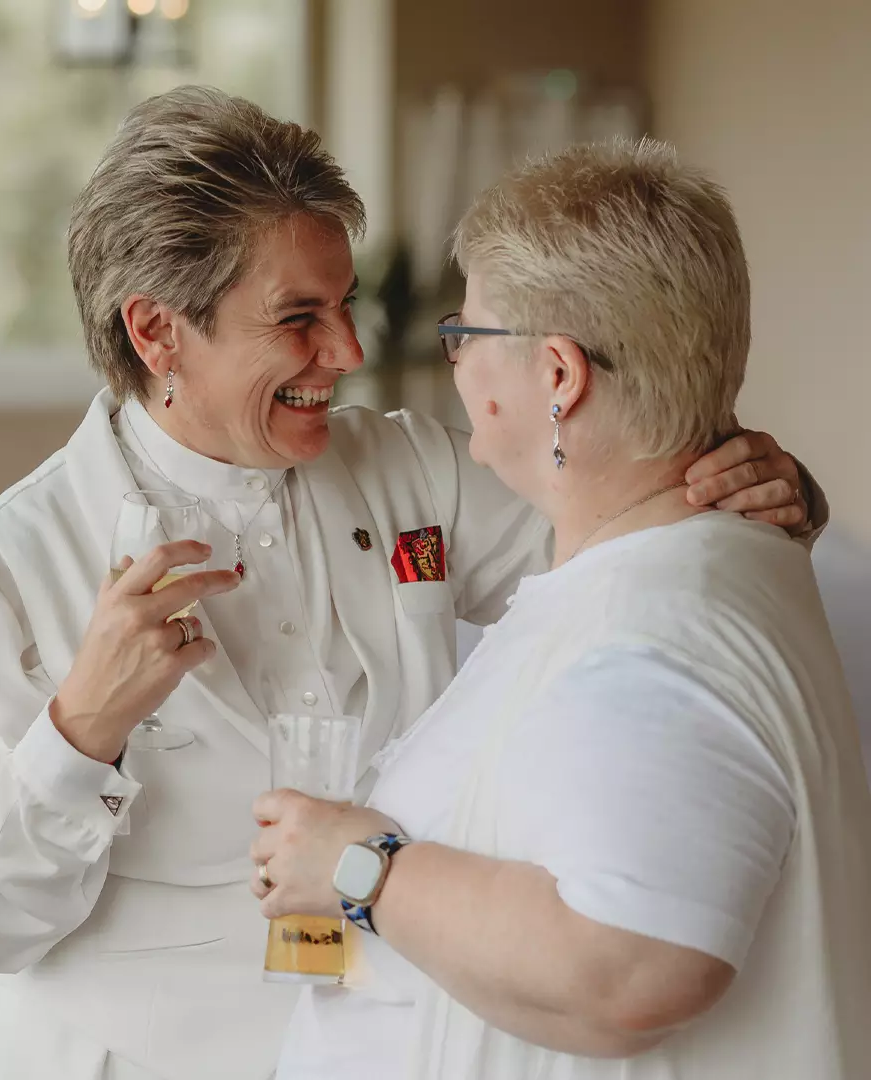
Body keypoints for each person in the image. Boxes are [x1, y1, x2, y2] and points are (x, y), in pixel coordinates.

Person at [0, 88, 820, 1080]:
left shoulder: (411, 471)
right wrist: (79, 731)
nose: (349, 353)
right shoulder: (7, 567)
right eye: (300, 319)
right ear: (157, 333)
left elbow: (629, 519)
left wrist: (775, 487)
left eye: (343, 305)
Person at [250, 139, 871, 1080]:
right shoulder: (674, 564)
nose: (454, 365)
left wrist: (362, 867)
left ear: (557, 377)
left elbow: (628, 971)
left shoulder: (651, 639)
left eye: (467, 337)